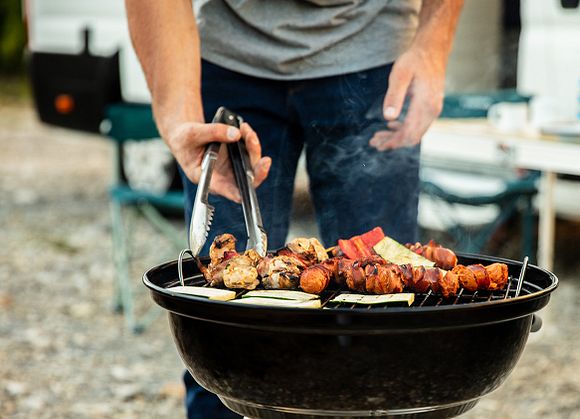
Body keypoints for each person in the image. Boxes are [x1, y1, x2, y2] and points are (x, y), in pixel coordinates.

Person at [125, 0, 463, 417]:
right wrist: (178, 119)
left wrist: (432, 46)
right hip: (232, 59)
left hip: (375, 61)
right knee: (223, 337)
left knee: (385, 337)